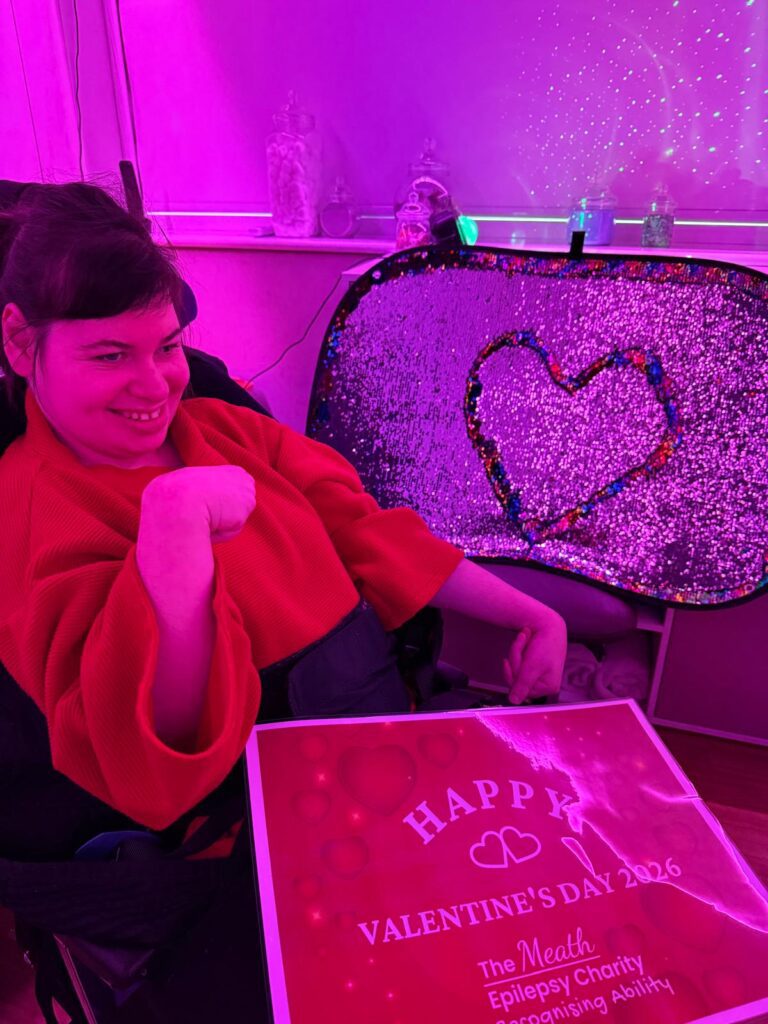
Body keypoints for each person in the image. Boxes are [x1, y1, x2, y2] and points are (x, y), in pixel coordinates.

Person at [0, 182, 566, 1021]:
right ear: (21, 343)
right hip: (261, 840)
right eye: (109, 356)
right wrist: (173, 538)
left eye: (167, 346)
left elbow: (373, 535)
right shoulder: (30, 509)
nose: (153, 385)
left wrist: (531, 614)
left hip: (389, 747)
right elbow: (155, 748)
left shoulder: (225, 429)